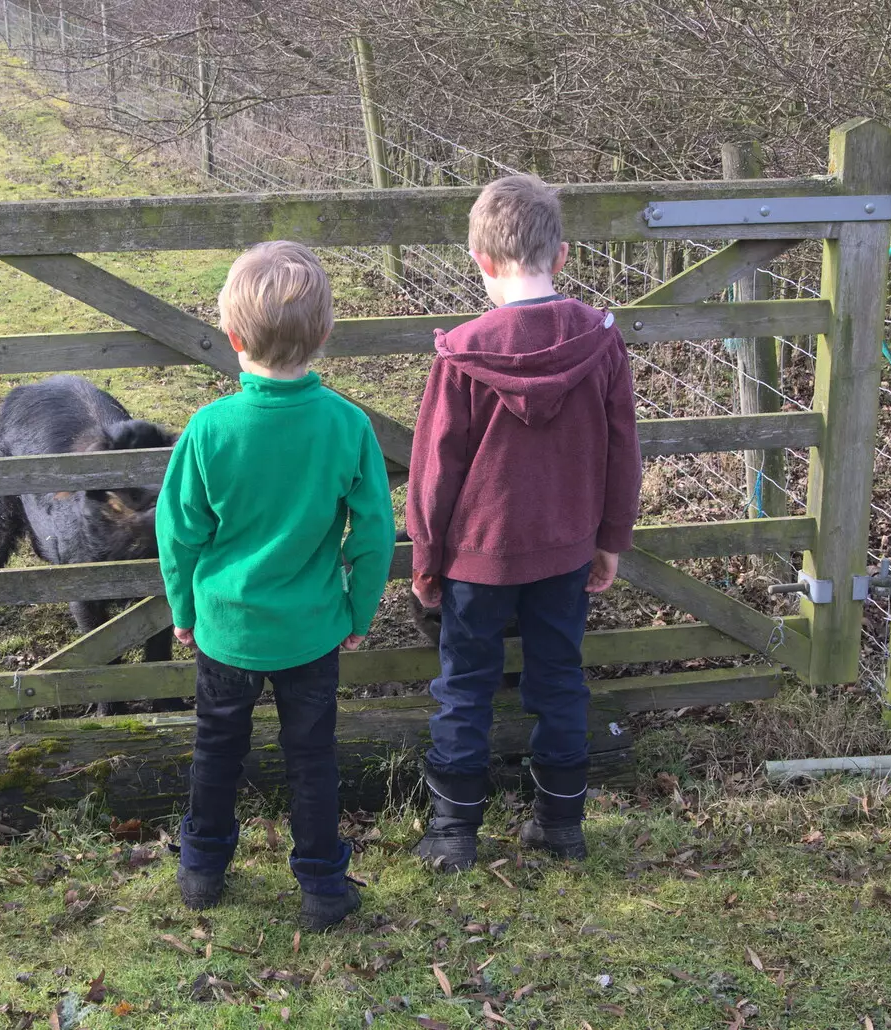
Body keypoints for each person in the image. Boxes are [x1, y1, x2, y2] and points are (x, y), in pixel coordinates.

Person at [156, 240, 396, 930]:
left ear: (232, 338)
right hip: (312, 629)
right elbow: (375, 532)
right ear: (323, 334)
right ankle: (322, 885)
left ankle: (202, 869)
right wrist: (359, 608)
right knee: (313, 758)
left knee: (216, 748)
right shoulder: (347, 425)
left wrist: (182, 608)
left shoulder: (209, 429)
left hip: (226, 629)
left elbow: (178, 534)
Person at [406, 174, 642, 870]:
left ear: (479, 260)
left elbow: (434, 470)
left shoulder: (463, 354)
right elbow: (622, 448)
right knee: (560, 678)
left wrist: (426, 556)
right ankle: (560, 825)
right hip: (566, 549)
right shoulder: (600, 340)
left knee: (464, 686)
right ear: (561, 256)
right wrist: (610, 540)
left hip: (477, 556)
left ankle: (453, 832)